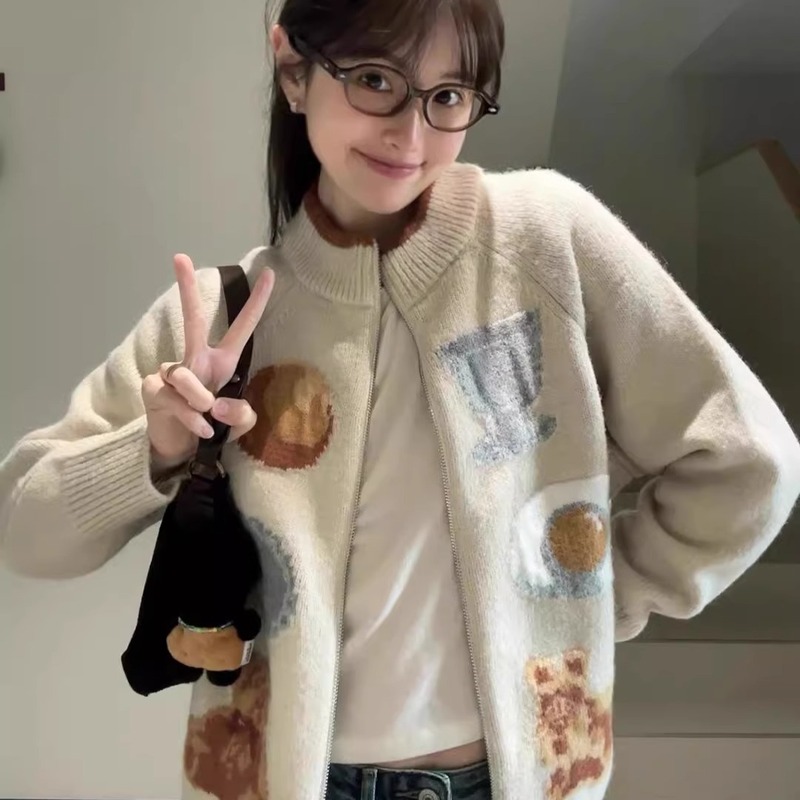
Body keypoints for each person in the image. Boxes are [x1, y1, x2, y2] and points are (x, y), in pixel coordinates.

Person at [1, 0, 799, 797]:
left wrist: (586, 600)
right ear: (293, 69)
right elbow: (23, 528)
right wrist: (157, 447)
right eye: (376, 80)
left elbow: (751, 461)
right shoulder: (221, 316)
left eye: (448, 95)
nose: (410, 136)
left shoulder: (544, 239)